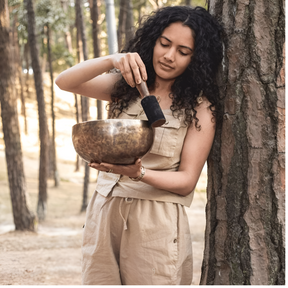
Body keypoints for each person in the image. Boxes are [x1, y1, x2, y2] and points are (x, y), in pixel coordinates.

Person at [56, 5, 223, 285]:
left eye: (183, 52)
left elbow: (187, 181)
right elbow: (64, 81)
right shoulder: (125, 88)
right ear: (153, 41)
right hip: (105, 210)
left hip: (155, 220)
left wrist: (139, 173)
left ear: (196, 59)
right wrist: (112, 58)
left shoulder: (200, 107)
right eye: (165, 44)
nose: (169, 56)